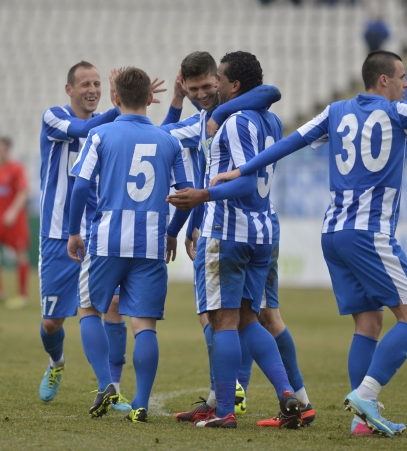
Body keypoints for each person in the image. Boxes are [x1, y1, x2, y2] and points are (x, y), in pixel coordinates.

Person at [172, 50, 407, 436]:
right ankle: (363, 394)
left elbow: (292, 143)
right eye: (401, 76)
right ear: (383, 80)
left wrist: (242, 168)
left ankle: (359, 420)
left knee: (368, 322)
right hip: (367, 231)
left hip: (332, 233)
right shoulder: (398, 112)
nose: (406, 83)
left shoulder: (335, 111)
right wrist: (242, 171)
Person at [158, 52, 314, 428]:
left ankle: (225, 408)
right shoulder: (269, 120)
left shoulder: (230, 123)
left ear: (229, 83)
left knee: (223, 319)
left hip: (229, 229)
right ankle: (290, 396)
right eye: (194, 89)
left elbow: (239, 179)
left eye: (213, 85)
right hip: (262, 229)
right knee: (252, 318)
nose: (204, 94)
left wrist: (202, 198)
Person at [38, 61, 169, 408]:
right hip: (57, 233)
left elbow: (154, 143)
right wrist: (124, 107)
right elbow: (84, 130)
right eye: (85, 84)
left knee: (110, 305)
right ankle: (56, 363)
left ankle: (110, 386)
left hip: (98, 229)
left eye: (97, 83)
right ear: (69, 90)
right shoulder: (55, 117)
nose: (92, 89)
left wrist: (129, 108)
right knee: (52, 322)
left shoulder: (110, 128)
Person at [67, 66, 193, 422]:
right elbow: (185, 194)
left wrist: (74, 232)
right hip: (151, 244)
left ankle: (107, 383)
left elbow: (79, 186)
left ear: (116, 98)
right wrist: (173, 232)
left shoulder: (101, 134)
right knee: (145, 325)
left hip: (107, 239)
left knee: (89, 310)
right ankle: (140, 403)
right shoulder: (170, 141)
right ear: (150, 100)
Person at [0, 137, 31, 309]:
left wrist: (13, 211)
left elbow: (24, 192)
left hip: (14, 219)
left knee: (20, 255)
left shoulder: (16, 169)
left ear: (8, 150)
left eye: (2, 149)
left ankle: (22, 296)